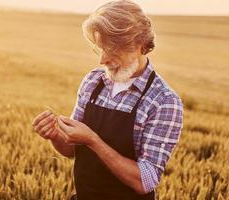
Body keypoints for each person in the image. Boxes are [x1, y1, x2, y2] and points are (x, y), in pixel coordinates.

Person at [32, 1, 184, 199]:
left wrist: (93, 141)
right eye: (99, 48)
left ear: (139, 44)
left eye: (111, 50)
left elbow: (145, 181)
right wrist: (54, 135)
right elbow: (71, 149)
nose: (102, 60)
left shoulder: (164, 101)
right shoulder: (93, 81)